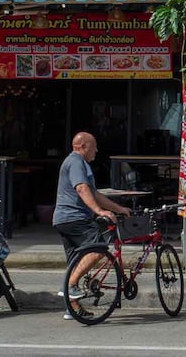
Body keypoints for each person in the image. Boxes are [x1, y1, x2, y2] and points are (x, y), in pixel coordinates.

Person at [53, 131, 130, 319]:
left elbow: (95, 194)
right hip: (75, 217)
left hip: (63, 219)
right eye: (93, 146)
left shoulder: (77, 163)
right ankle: (71, 286)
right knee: (99, 248)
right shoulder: (76, 162)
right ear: (83, 147)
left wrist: (118, 208)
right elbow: (82, 188)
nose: (97, 150)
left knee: (75, 262)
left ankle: (72, 308)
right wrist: (99, 211)